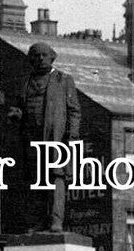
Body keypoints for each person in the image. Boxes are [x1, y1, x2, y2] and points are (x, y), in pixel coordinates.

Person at [5, 42, 81, 233]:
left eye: (44, 55)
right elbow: (21, 107)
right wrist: (16, 114)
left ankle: (56, 220)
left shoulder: (64, 80)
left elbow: (74, 111)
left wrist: (71, 136)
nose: (40, 59)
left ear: (51, 57)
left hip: (56, 139)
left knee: (56, 177)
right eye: (36, 56)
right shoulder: (25, 82)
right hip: (31, 138)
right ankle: (38, 221)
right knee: (35, 180)